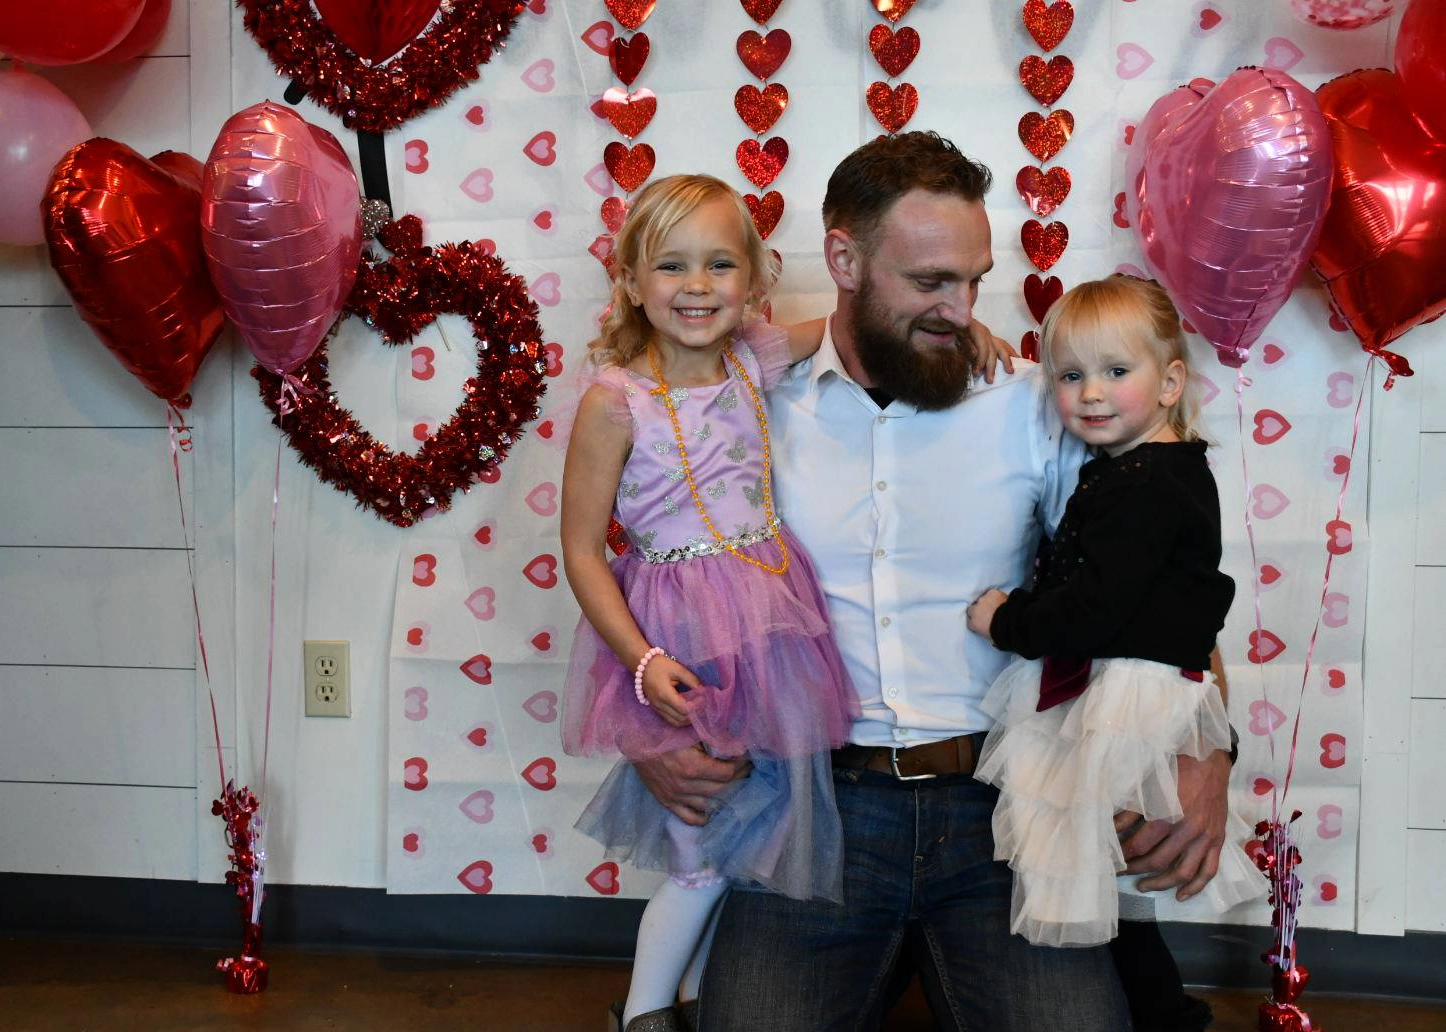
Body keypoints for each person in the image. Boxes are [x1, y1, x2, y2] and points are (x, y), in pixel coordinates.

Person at [629, 133, 1236, 1032]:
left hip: (1002, 807)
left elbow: (1164, 581)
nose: (961, 310)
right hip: (813, 806)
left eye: (973, 281)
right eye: (931, 282)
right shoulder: (746, 405)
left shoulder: (1037, 405)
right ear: (843, 261)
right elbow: (661, 568)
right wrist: (650, 731)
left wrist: (1210, 754)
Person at [558, 174, 862, 1032]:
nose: (697, 286)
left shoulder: (751, 361)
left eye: (720, 265)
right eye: (671, 266)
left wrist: (970, 327)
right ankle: (645, 1015)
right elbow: (581, 550)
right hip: (677, 639)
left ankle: (692, 1001)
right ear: (630, 281)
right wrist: (642, 661)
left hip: (770, 624)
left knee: (740, 837)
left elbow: (842, 331)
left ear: (754, 279)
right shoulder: (616, 403)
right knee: (698, 851)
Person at [964, 276, 1264, 951]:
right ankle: (1111, 974)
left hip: (1128, 687)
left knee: (1084, 845)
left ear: (1170, 382)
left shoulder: (1148, 482)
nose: (1091, 393)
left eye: (1116, 372)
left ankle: (1092, 970)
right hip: (1114, 676)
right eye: (1070, 375)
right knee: (1096, 855)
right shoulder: (1143, 469)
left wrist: (1007, 621)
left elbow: (1094, 606)